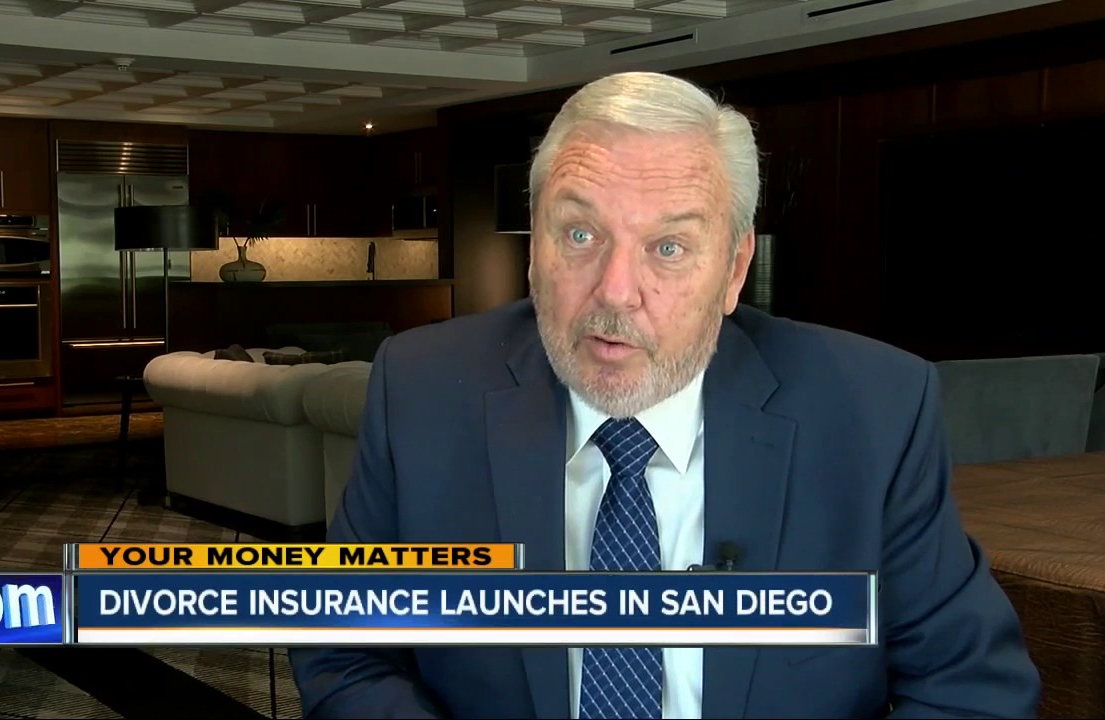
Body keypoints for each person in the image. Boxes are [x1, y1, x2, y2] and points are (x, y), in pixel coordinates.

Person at [289, 71, 1040, 719]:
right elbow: (344, 650)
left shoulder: (874, 411)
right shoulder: (422, 391)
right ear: (534, 249)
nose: (616, 291)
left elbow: (972, 686)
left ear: (734, 270)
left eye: (669, 247)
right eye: (579, 235)